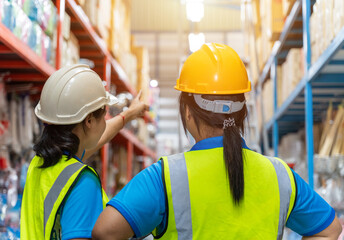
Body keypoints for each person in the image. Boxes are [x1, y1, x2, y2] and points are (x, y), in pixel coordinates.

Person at [92, 43, 342, 240]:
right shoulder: (280, 175)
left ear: (188, 113)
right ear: (242, 112)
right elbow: (329, 230)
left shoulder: (165, 177)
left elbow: (105, 232)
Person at [20, 64, 148, 240]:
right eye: (104, 116)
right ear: (89, 121)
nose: (105, 123)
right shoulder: (82, 181)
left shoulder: (40, 164)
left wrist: (129, 115)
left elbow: (96, 138)